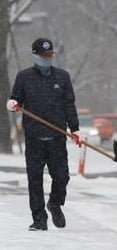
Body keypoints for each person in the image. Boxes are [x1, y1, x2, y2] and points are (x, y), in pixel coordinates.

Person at [6, 38, 81, 231]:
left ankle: (55, 203)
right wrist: (13, 104)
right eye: (44, 55)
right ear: (35, 56)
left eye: (50, 55)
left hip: (56, 138)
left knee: (62, 176)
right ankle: (39, 219)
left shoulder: (62, 77)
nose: (48, 58)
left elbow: (69, 105)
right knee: (35, 180)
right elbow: (16, 100)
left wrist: (75, 129)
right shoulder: (24, 77)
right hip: (34, 138)